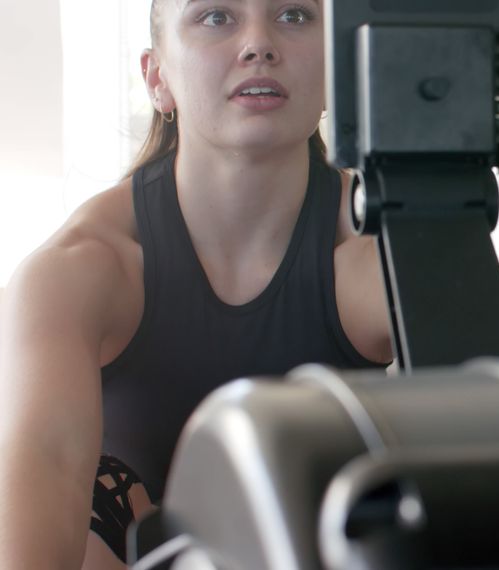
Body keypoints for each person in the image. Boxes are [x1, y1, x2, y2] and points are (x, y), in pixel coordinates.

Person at [0, 1, 394, 568]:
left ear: (335, 69)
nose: (259, 43)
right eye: (216, 17)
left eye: (294, 16)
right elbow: (39, 507)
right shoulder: (77, 271)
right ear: (158, 78)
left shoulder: (379, 252)